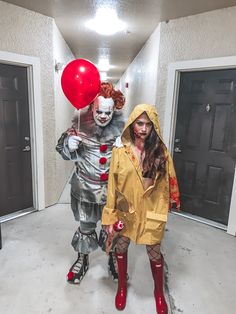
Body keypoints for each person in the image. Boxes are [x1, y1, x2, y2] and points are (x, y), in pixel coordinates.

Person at [102, 104, 180, 313]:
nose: (144, 129)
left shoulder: (161, 152)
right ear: (132, 124)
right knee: (121, 248)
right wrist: (109, 216)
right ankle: (121, 288)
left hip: (151, 211)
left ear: (154, 127)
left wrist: (167, 207)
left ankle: (158, 293)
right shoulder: (120, 151)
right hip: (125, 211)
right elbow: (112, 185)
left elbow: (170, 182)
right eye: (140, 123)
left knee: (154, 254)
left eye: (148, 124)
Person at [56, 82, 125, 284]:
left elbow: (133, 163)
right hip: (85, 190)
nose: (103, 116)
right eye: (99, 111)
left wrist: (126, 149)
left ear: (114, 111)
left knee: (110, 229)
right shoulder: (79, 128)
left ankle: (112, 257)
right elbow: (63, 152)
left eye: (107, 112)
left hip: (111, 193)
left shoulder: (123, 132)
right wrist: (69, 145)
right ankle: (82, 259)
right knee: (86, 227)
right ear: (92, 108)